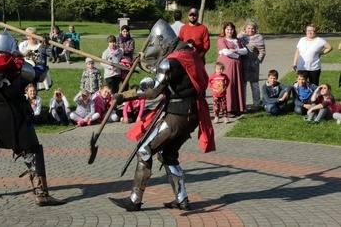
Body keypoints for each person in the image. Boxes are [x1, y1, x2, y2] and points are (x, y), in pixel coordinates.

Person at [109, 19, 215, 211]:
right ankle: (181, 199)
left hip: (178, 115)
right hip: (192, 115)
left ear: (161, 40)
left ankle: (135, 199)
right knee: (168, 155)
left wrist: (125, 96)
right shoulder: (189, 53)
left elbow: (153, 92)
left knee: (144, 150)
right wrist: (143, 65)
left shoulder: (171, 62)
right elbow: (165, 76)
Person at [0, 29, 65, 206]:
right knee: (32, 150)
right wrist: (42, 50)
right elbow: (40, 74)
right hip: (16, 115)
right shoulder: (20, 68)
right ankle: (41, 193)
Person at [216, 22, 247, 116]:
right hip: (227, 65)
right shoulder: (221, 40)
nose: (229, 31)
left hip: (237, 66)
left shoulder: (237, 40)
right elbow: (226, 52)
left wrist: (236, 50)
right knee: (229, 85)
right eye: (228, 29)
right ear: (224, 30)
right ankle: (228, 108)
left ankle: (237, 107)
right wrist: (237, 56)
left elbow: (245, 51)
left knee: (236, 85)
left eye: (231, 29)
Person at [237, 19, 266, 112]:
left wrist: (257, 61)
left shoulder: (259, 38)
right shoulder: (240, 37)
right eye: (248, 28)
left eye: (252, 28)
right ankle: (242, 105)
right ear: (245, 28)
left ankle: (256, 104)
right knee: (243, 85)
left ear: (255, 29)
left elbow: (262, 51)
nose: (250, 30)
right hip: (242, 63)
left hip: (253, 64)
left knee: (255, 85)